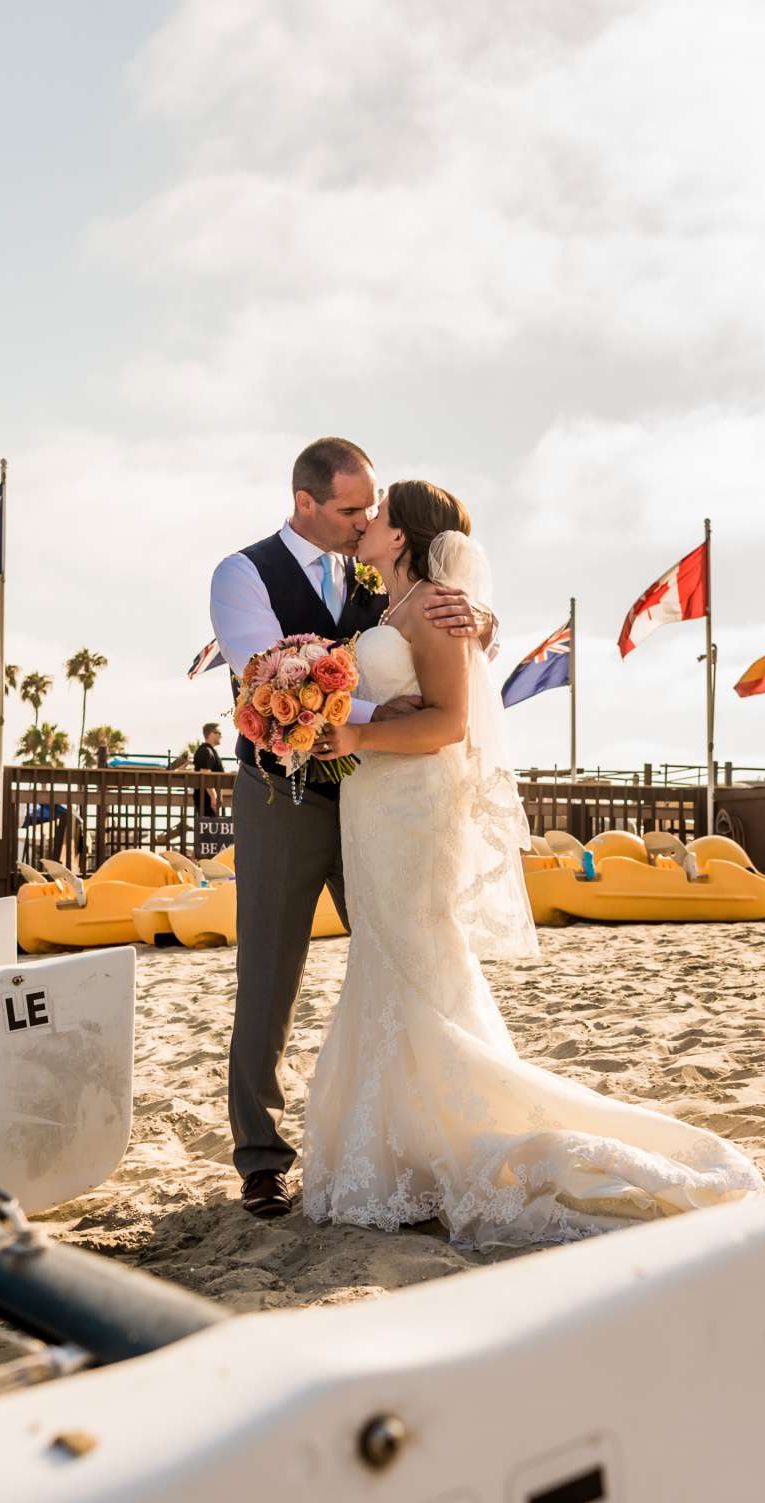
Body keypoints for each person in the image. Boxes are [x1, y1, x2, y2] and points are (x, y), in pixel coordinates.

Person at [306, 480, 762, 1247]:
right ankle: (400, 1147)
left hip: (412, 807)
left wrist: (356, 739)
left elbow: (451, 723)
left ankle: (460, 1133)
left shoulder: (436, 608)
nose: (368, 521)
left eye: (381, 511)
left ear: (406, 534)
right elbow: (405, 701)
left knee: (421, 957)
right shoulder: (390, 611)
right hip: (374, 806)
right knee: (384, 961)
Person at [208, 437, 490, 1218]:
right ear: (305, 503)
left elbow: (430, 624)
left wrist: (476, 608)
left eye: (371, 508)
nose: (364, 518)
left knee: (400, 962)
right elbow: (265, 674)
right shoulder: (244, 573)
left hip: (380, 801)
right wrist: (370, 716)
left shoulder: (376, 567)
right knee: (269, 973)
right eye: (348, 508)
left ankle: (412, 1139)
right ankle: (261, 1161)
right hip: (283, 797)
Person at [192, 722, 225, 816]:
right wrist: (214, 797)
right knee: (207, 828)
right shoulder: (205, 751)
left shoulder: (210, 751)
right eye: (218, 733)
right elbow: (205, 774)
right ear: (210, 734)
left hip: (209, 800)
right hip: (206, 800)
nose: (220, 736)